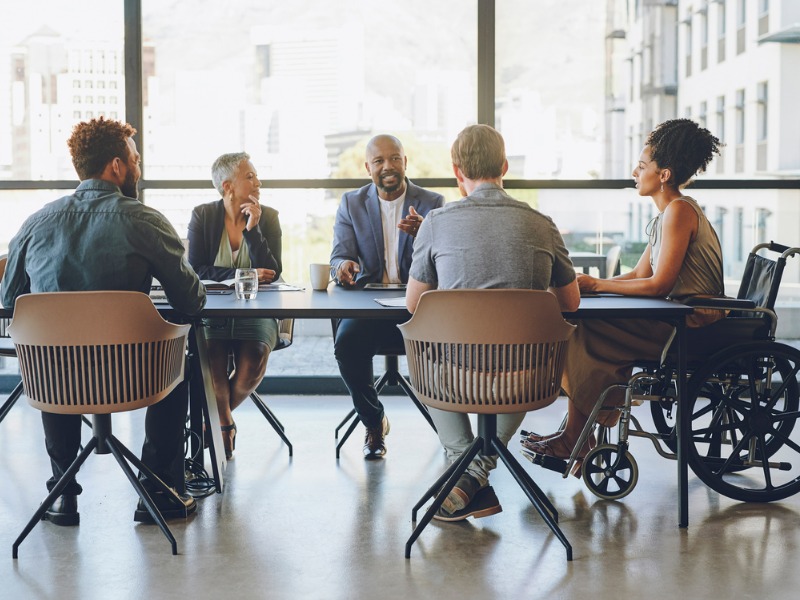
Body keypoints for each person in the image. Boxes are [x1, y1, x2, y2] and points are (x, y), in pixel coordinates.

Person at [1, 117, 206, 526]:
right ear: (116, 166)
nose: (139, 167)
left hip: (54, 381)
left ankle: (62, 493)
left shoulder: (35, 223)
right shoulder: (144, 220)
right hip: (133, 378)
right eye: (135, 159)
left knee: (53, 349)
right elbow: (192, 301)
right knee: (178, 351)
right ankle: (159, 491)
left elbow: (7, 301)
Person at [523, 118, 724, 464]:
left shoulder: (679, 211)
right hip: (677, 317)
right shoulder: (667, 215)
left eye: (643, 166)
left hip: (692, 324)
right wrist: (589, 284)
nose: (635, 171)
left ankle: (575, 438)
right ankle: (576, 434)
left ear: (664, 175)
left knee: (585, 330)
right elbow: (638, 274)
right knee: (585, 325)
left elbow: (660, 284)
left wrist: (598, 285)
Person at [406, 124, 580, 521]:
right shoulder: (542, 223)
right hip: (527, 378)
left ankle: (463, 469)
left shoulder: (436, 222)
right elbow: (570, 302)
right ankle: (473, 475)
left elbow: (415, 303)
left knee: (424, 344)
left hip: (452, 377)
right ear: (504, 166)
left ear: (456, 172)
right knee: (524, 351)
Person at [330, 134, 444, 459]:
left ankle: (451, 428)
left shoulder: (433, 203)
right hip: (370, 308)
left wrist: (427, 233)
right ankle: (374, 421)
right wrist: (343, 266)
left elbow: (449, 260)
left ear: (405, 162)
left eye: (394, 158)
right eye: (379, 161)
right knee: (346, 344)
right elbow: (338, 256)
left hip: (419, 308)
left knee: (449, 342)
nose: (388, 167)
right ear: (368, 168)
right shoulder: (351, 203)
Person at [187, 152, 281, 460]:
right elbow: (196, 269)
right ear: (228, 186)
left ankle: (208, 421)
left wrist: (253, 230)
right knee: (212, 367)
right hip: (212, 312)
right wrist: (246, 274)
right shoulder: (203, 215)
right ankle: (224, 424)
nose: (258, 182)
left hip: (256, 312)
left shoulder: (268, 216)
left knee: (251, 365)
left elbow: (273, 271)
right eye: (250, 177)